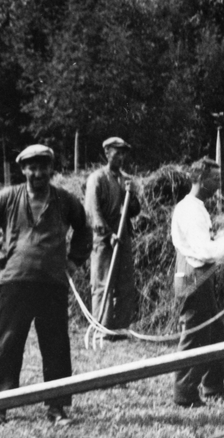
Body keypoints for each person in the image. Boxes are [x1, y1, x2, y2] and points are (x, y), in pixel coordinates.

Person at [0, 144, 92, 426]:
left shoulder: (64, 200)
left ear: (51, 169)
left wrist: (73, 262)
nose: (37, 173)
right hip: (16, 282)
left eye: (43, 167)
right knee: (8, 343)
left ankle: (57, 408)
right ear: (23, 170)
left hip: (52, 284)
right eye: (31, 167)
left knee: (56, 346)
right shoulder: (10, 197)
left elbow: (85, 229)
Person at [171, 157, 224, 407]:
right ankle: (184, 393)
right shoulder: (190, 210)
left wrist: (219, 236)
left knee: (215, 331)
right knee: (195, 335)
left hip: (199, 276)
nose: (218, 184)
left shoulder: (197, 206)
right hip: (193, 277)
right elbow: (204, 252)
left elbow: (203, 244)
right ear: (200, 179)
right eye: (215, 179)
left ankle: (213, 385)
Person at [85, 137, 141, 338]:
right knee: (102, 285)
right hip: (104, 240)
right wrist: (107, 234)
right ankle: (102, 329)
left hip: (123, 238)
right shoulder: (97, 179)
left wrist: (131, 194)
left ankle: (120, 329)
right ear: (107, 153)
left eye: (123, 153)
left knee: (125, 285)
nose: (121, 157)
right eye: (117, 153)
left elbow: (133, 210)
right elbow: (93, 211)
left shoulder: (125, 179)